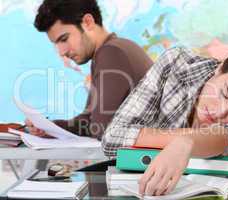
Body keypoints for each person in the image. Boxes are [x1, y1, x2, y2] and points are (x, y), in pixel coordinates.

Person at [102, 47, 228, 196]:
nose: (220, 112)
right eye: (224, 93)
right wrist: (180, 142)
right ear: (220, 68)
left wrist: (186, 143)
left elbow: (225, 138)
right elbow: (112, 138)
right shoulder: (175, 64)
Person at [26, 0, 153, 138]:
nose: (61, 52)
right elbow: (88, 120)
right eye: (56, 43)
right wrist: (49, 127)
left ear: (87, 22)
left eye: (64, 39)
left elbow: (100, 129)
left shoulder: (112, 53)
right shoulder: (110, 51)